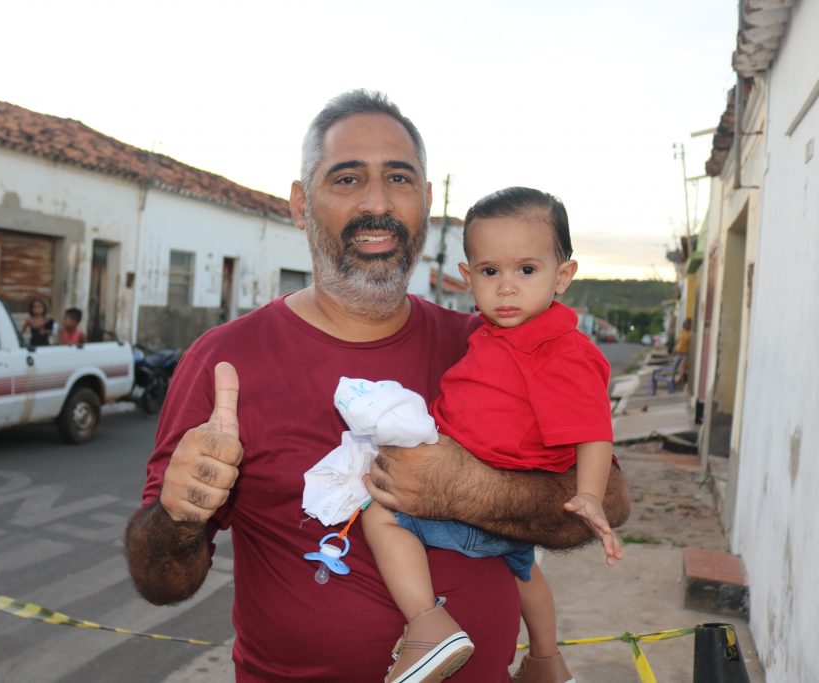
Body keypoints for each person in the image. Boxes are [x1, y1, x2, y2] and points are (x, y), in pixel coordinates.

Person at [124, 90, 629, 682]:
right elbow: (162, 581)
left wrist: (464, 489)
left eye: (399, 179)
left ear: (427, 202)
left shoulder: (491, 343)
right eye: (346, 179)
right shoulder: (225, 361)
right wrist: (180, 516)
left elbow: (608, 502)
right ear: (300, 204)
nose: (378, 203)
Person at [358, 187, 621, 683]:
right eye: (490, 271)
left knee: (382, 517)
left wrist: (589, 496)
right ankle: (545, 660)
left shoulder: (561, 349)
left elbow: (592, 429)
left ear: (563, 275)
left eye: (527, 270)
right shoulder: (497, 334)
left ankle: (427, 624)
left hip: (484, 498)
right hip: (505, 508)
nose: (506, 288)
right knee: (524, 569)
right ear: (467, 277)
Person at [673, 318, 693, 383]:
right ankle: (676, 378)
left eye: (688, 324)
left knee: (682, 366)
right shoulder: (681, 331)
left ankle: (679, 379)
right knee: (675, 366)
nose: (687, 325)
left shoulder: (690, 333)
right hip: (678, 352)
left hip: (685, 353)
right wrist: (674, 349)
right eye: (686, 323)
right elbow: (677, 340)